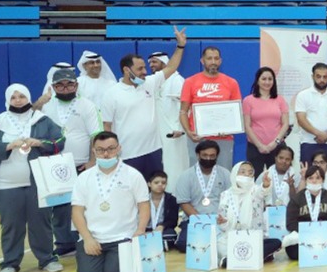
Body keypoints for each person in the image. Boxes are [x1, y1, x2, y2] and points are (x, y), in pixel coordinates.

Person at [0, 84, 66, 272]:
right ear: (8, 100)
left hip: (39, 183)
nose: (18, 100)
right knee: (11, 224)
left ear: (28, 97)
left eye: (22, 96)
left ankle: (47, 259)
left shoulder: (42, 120)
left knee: (41, 222)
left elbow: (60, 141)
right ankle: (10, 263)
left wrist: (40, 143)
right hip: (5, 184)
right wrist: (8, 146)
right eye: (14, 97)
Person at [33, 65, 102, 256]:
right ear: (53, 87)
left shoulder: (87, 105)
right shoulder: (46, 105)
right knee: (58, 207)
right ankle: (64, 242)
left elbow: (96, 135)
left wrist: (92, 161)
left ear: (76, 85)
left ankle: (86, 239)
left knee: (83, 204)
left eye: (69, 85)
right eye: (60, 85)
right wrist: (39, 103)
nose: (65, 89)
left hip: (81, 163)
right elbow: (26, 119)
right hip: (53, 163)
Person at [100, 28, 187, 174]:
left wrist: (180, 46)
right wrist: (109, 152)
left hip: (154, 151)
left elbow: (171, 67)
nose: (145, 72)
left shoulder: (149, 83)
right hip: (127, 155)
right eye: (140, 69)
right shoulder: (111, 94)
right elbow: (106, 126)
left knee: (156, 186)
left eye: (145, 68)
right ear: (126, 70)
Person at [70, 131, 150, 272]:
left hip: (123, 238)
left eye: (111, 149)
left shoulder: (133, 175)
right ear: (94, 151)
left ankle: (109, 265)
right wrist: (87, 238)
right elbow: (77, 211)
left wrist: (140, 230)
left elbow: (144, 205)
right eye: (100, 150)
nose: (106, 154)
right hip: (93, 238)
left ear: (119, 148)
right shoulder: (83, 178)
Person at [179, 46, 241, 170]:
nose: (213, 62)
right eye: (209, 58)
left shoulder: (231, 83)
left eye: (216, 58)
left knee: (223, 174)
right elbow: (183, 112)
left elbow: (236, 112)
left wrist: (229, 129)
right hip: (198, 138)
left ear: (220, 61)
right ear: (202, 61)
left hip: (224, 138)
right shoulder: (190, 82)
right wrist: (189, 132)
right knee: (197, 174)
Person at [216, 160, 282, 265]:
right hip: (232, 237)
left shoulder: (255, 191)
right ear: (234, 174)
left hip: (253, 237)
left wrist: (265, 185)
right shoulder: (225, 195)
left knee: (276, 243)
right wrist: (223, 222)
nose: (247, 174)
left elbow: (263, 192)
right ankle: (255, 257)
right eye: (243, 172)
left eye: (250, 172)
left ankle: (236, 259)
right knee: (220, 244)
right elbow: (223, 224)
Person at [283, 164, 327, 260]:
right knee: (291, 251)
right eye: (310, 178)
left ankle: (314, 251)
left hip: (324, 233)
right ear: (306, 180)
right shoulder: (297, 199)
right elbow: (290, 223)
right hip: (304, 234)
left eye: (318, 178)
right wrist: (308, 231)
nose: (314, 181)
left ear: (323, 180)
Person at [295, 62, 327, 172]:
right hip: (309, 142)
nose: (322, 80)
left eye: (325, 77)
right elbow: (301, 119)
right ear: (312, 76)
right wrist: (318, 134)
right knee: (309, 175)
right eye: (318, 76)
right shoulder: (303, 95)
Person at [175, 141, 232, 238]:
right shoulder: (186, 176)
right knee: (184, 243)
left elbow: (231, 199)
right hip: (193, 219)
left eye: (212, 156)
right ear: (198, 155)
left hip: (220, 220)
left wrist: (223, 218)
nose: (208, 158)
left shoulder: (225, 174)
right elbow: (184, 202)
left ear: (217, 156)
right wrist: (201, 221)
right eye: (205, 155)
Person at [147, 51, 186, 190]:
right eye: (150, 62)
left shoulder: (177, 80)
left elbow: (183, 107)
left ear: (164, 62)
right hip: (159, 133)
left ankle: (176, 196)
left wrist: (179, 128)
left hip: (174, 133)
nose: (151, 65)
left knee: (175, 166)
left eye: (154, 62)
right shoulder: (154, 82)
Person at [243, 66, 291, 178]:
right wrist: (259, 145)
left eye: (270, 79)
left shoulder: (280, 100)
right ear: (257, 81)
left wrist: (274, 143)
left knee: (279, 179)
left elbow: (285, 124)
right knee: (255, 179)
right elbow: (247, 125)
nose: (267, 82)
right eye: (264, 79)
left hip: (277, 147)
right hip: (255, 147)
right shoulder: (248, 100)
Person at [144, 170, 179, 243]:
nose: (160, 185)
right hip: (145, 229)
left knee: (171, 235)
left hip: (163, 230)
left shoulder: (172, 199)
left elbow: (173, 221)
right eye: (156, 183)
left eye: (163, 183)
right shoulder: (142, 199)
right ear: (149, 184)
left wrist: (162, 226)